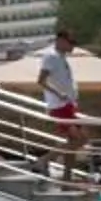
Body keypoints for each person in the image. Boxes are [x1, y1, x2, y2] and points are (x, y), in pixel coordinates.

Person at [38, 28, 87, 182]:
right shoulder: (51, 57)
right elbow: (41, 81)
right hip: (60, 106)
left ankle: (66, 179)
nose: (73, 46)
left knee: (73, 143)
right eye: (70, 42)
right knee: (80, 140)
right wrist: (59, 93)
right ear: (60, 41)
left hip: (68, 105)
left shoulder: (61, 58)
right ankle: (44, 160)